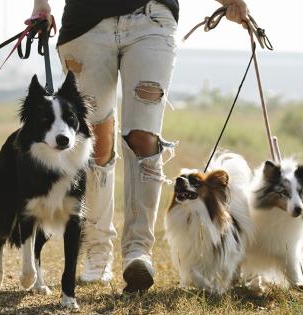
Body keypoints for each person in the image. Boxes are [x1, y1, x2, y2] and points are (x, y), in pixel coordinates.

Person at [30, 0, 249, 293]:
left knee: (144, 137)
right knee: (95, 140)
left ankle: (138, 251)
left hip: (152, 20)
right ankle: (97, 250)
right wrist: (41, 5)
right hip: (85, 25)